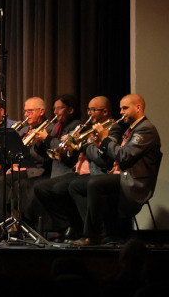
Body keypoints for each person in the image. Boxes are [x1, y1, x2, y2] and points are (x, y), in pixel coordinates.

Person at [70, 94, 162, 246]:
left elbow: (124, 156)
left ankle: (91, 235)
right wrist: (100, 144)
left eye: (125, 108)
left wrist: (105, 139)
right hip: (124, 176)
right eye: (120, 109)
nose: (121, 112)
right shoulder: (134, 129)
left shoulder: (146, 129)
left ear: (138, 108)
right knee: (75, 186)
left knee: (95, 183)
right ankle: (100, 231)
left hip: (134, 182)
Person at [34, 96, 112, 241]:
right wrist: (40, 145)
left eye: (59, 108)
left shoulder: (77, 125)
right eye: (54, 108)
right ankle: (67, 226)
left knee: (61, 188)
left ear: (70, 110)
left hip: (79, 171)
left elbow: (70, 158)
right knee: (40, 187)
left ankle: (78, 228)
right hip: (66, 171)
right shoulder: (59, 127)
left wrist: (76, 144)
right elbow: (52, 155)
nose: (55, 112)